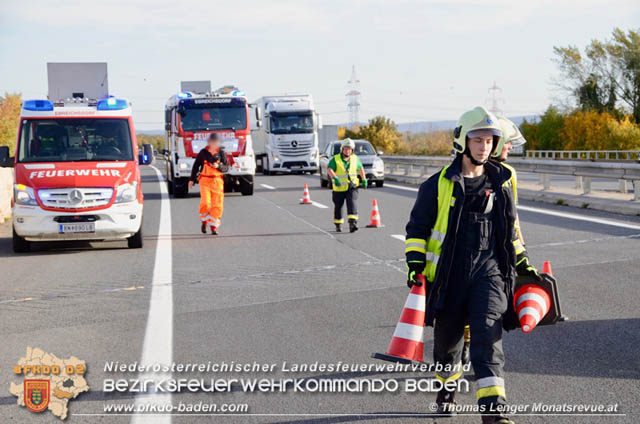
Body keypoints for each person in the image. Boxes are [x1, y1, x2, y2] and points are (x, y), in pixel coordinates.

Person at [405, 106, 518, 424]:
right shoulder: (436, 185)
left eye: (490, 140)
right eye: (478, 139)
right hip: (449, 278)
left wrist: (522, 265)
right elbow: (416, 231)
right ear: (463, 141)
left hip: (489, 272)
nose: (485, 146)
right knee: (447, 348)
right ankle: (446, 390)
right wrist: (415, 265)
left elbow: (511, 232)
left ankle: (495, 414)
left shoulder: (501, 183)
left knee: (487, 340)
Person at [459, 116, 541, 366]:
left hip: (498, 252)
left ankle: (482, 356)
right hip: (473, 251)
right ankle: (468, 345)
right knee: (467, 306)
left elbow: (511, 216)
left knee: (490, 308)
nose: (509, 148)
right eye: (507, 144)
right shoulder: (469, 170)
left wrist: (520, 249)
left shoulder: (507, 173)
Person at [189, 133, 229, 235]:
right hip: (205, 181)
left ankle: (214, 227)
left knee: (217, 205)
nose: (214, 143)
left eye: (216, 142)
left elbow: (226, 168)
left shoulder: (222, 153)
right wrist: (191, 179)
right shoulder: (203, 152)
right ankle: (204, 221)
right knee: (205, 203)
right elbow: (196, 166)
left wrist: (218, 166)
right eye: (212, 141)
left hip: (217, 182)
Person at [326, 138, 367, 232]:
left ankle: (352, 223)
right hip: (339, 187)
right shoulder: (335, 159)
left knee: (352, 203)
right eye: (345, 149)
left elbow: (360, 169)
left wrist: (364, 179)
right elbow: (329, 169)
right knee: (338, 206)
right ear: (342, 149)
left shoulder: (355, 158)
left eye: (349, 149)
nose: (347, 151)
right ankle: (338, 224)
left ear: (352, 150)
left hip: (352, 186)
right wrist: (334, 177)